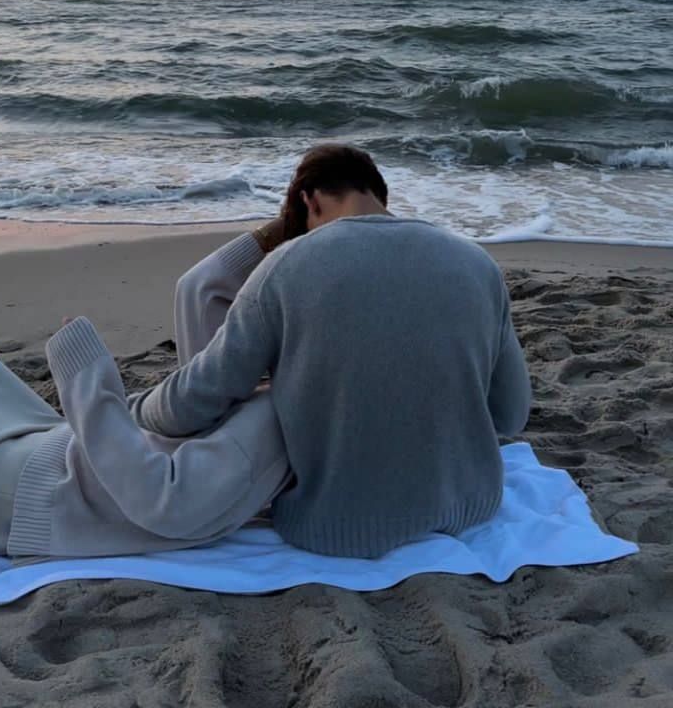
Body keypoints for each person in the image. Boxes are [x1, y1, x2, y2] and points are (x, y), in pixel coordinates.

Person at [131, 143, 532, 559]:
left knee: (262, 402)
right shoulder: (477, 264)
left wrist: (135, 409)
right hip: (469, 506)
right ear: (380, 194)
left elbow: (192, 401)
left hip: (336, 527)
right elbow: (510, 414)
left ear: (309, 199)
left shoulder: (285, 267)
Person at [0, 231, 288, 558]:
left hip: (32, 489)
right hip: (58, 448)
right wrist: (289, 226)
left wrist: (89, 378)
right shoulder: (284, 386)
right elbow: (199, 290)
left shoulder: (278, 419)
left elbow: (167, 502)